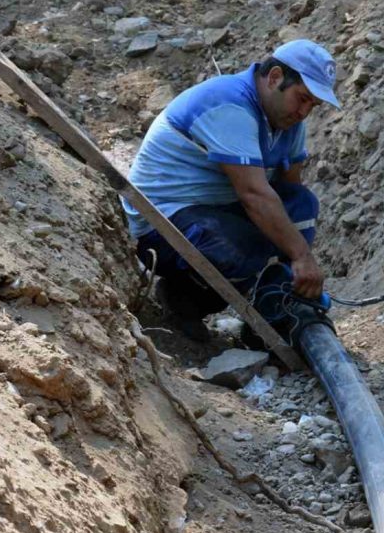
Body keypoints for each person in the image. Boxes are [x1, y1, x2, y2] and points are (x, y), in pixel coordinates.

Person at [123, 39, 341, 339]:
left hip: (214, 207)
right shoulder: (229, 104)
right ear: (275, 77)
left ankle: (279, 303)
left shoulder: (287, 120)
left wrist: (289, 264)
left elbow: (290, 189)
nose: (304, 111)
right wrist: (301, 257)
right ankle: (184, 298)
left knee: (301, 206)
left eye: (312, 105)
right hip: (161, 220)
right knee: (243, 249)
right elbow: (254, 196)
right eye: (301, 98)